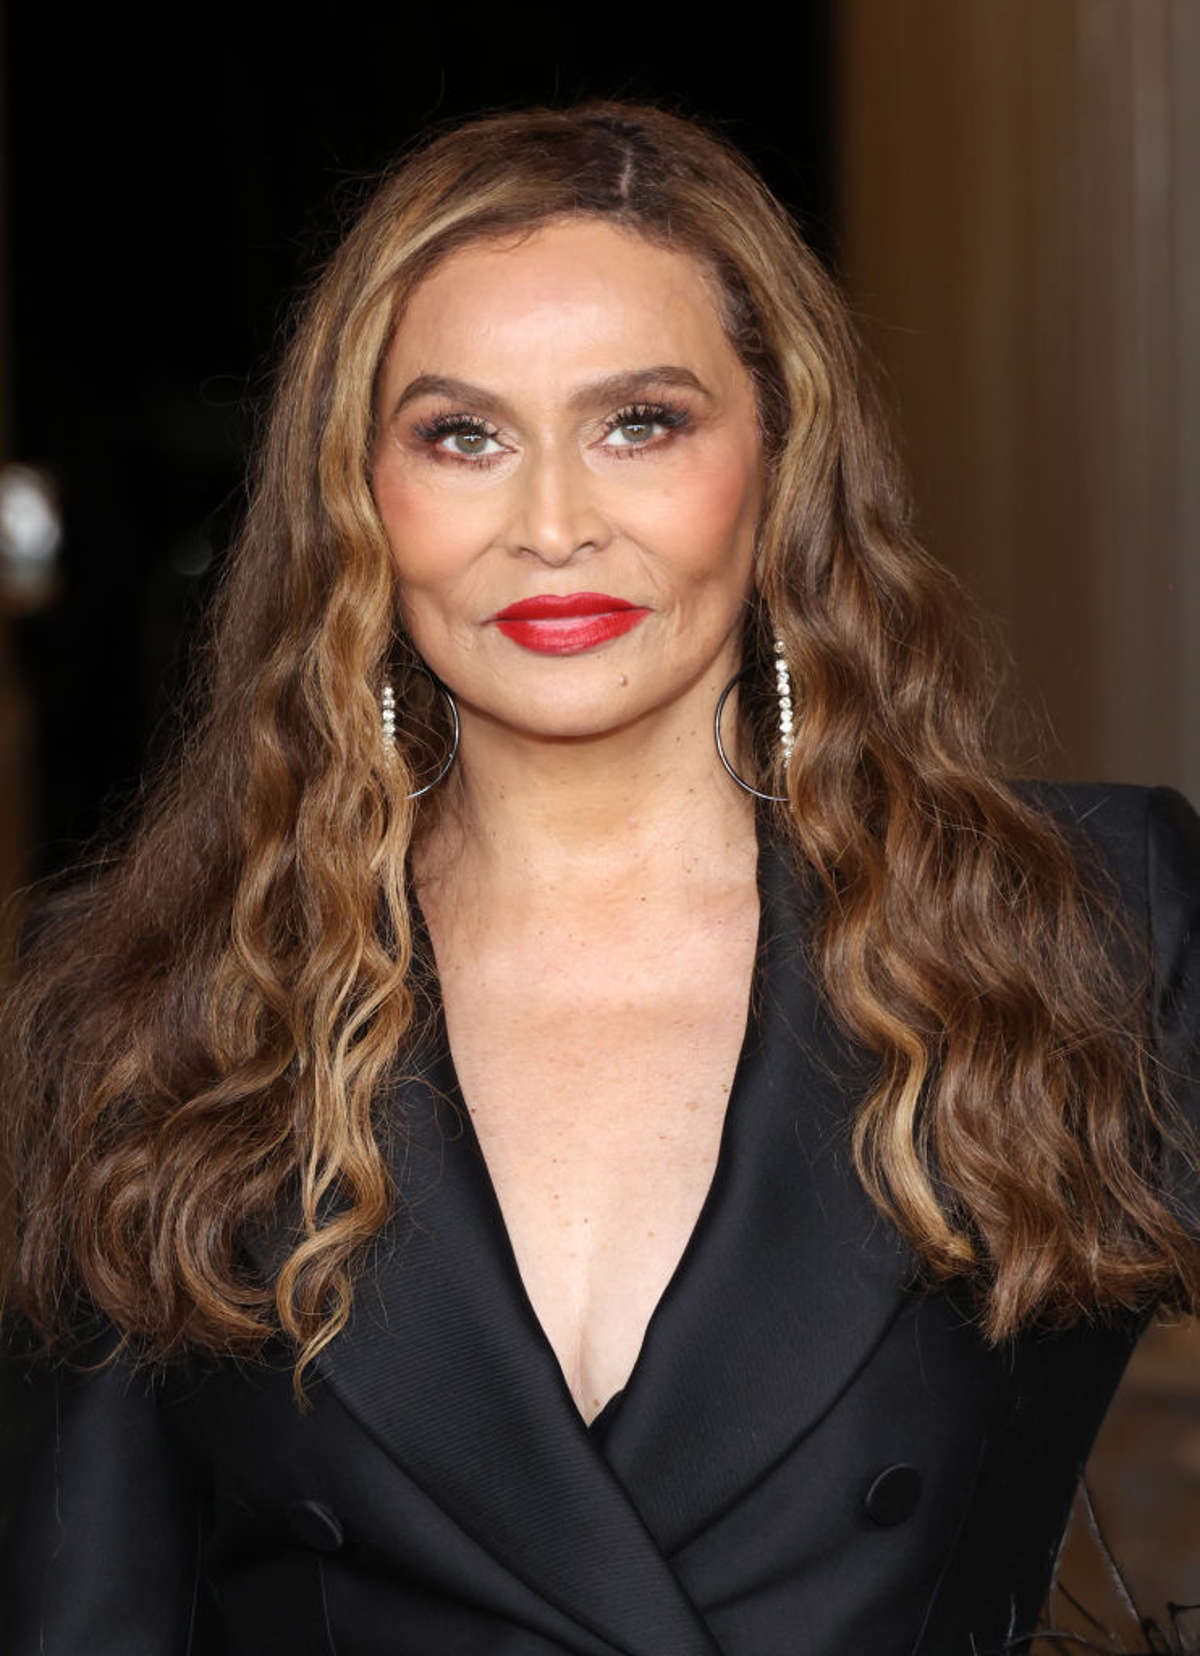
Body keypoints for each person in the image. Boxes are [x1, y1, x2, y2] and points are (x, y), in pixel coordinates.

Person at [1, 97, 1198, 1656]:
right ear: (357, 492)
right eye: (464, 436)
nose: (553, 525)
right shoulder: (144, 1003)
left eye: (639, 423)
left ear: (780, 457)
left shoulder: (1083, 928)